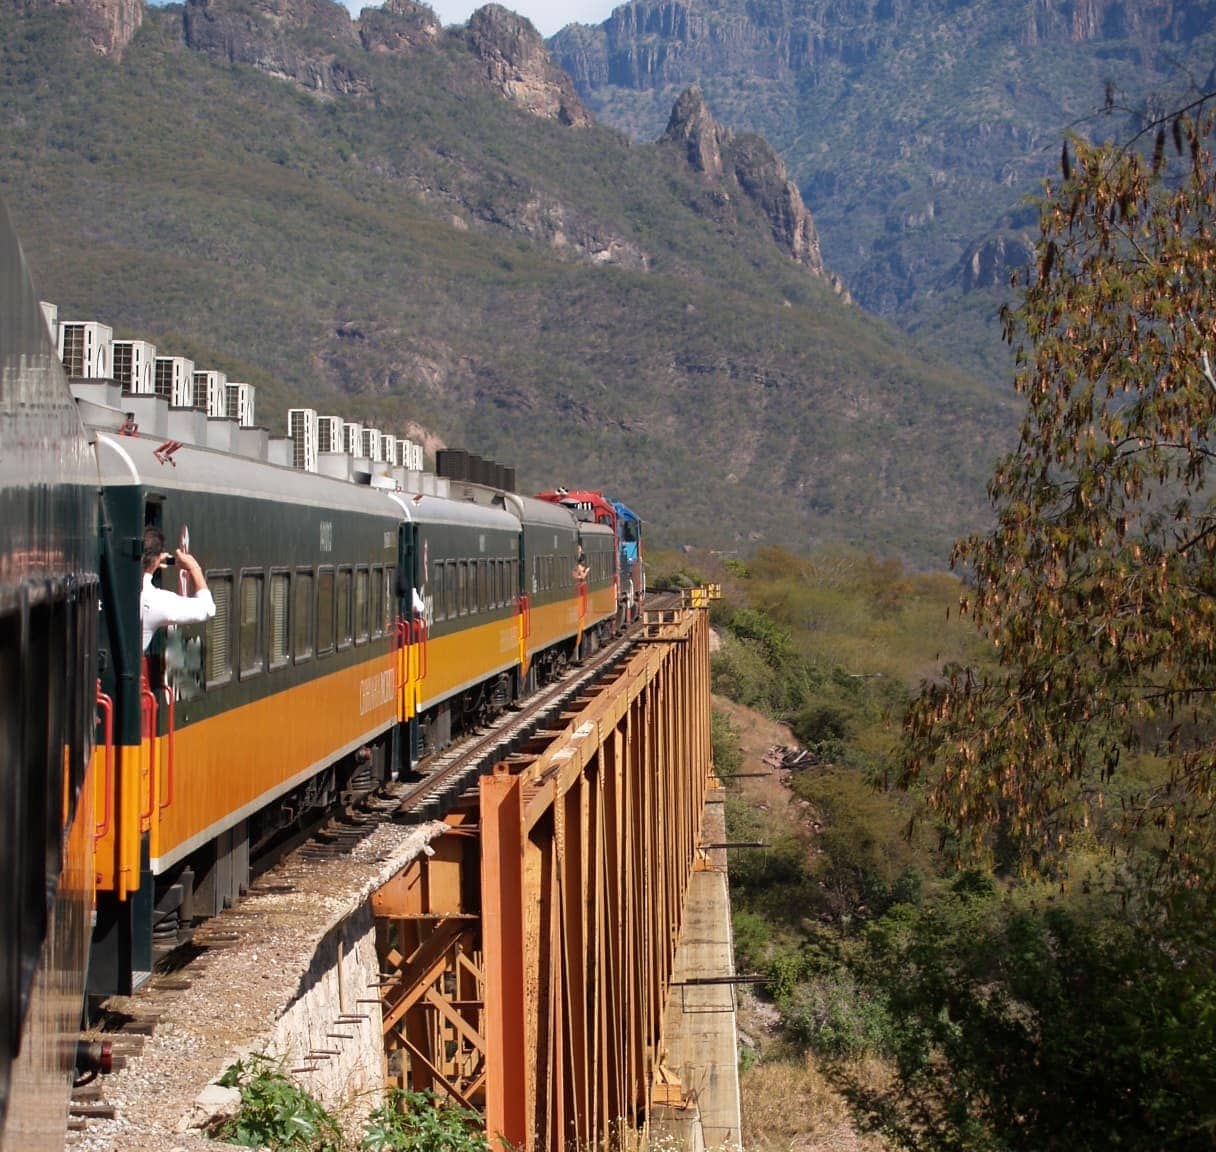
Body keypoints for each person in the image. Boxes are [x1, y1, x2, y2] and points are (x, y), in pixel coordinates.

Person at [140, 527, 215, 651]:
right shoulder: (154, 601)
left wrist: (151, 568)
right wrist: (194, 567)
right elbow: (208, 609)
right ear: (157, 559)